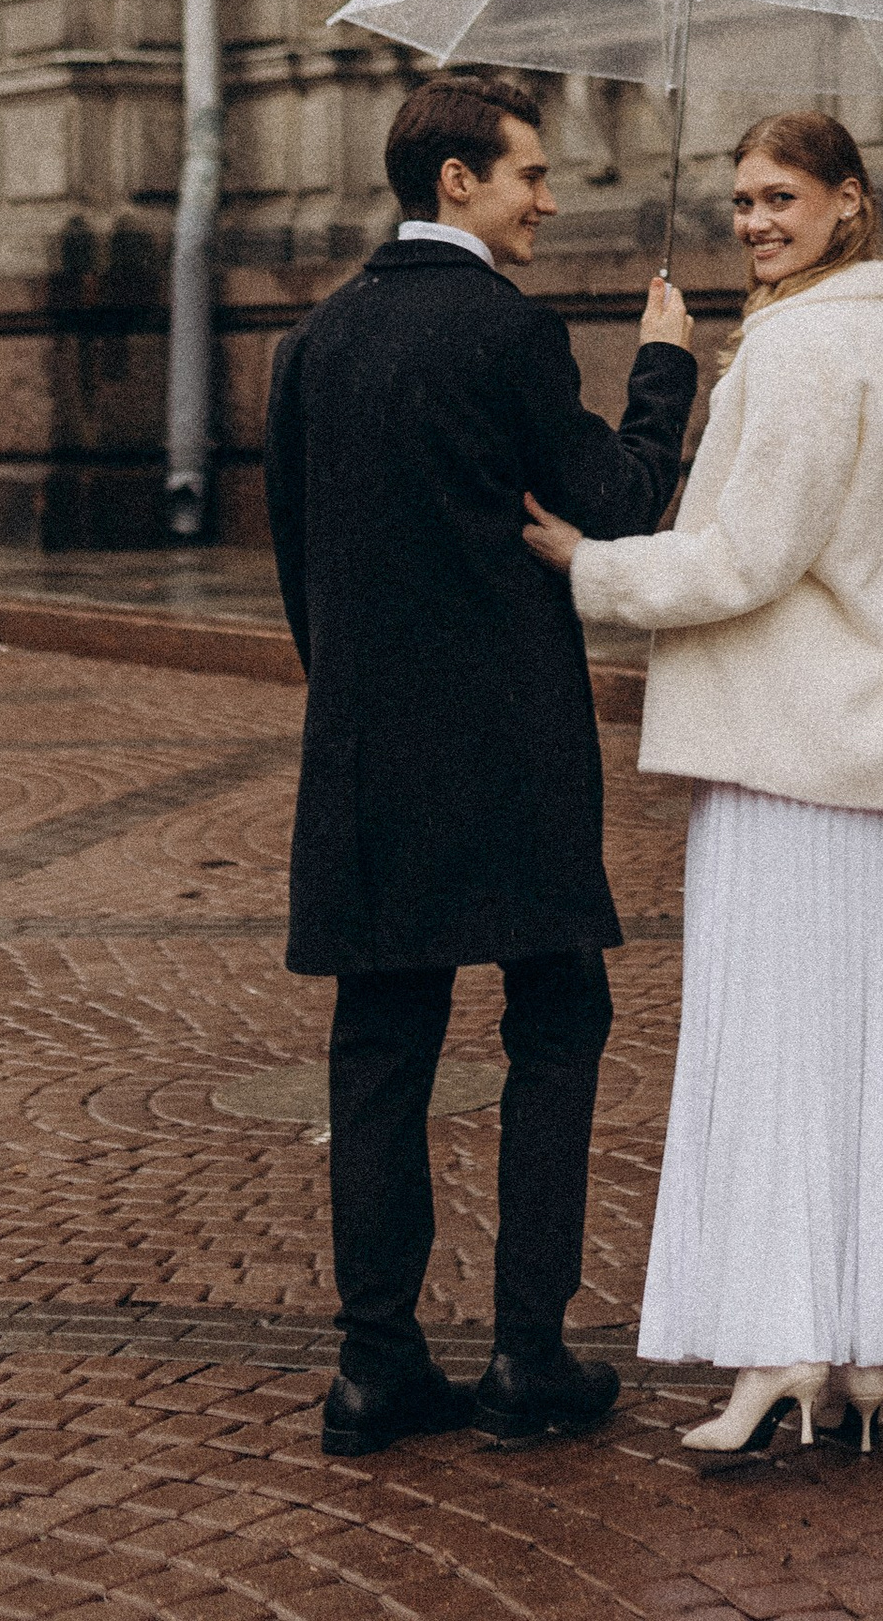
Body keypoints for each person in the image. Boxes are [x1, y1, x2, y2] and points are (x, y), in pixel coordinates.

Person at [522, 112, 883, 1471]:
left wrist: (587, 560)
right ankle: (863, 1352)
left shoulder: (801, 342)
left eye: (780, 195)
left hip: (792, 756)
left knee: (777, 1055)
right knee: (881, 1056)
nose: (752, 219)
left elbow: (744, 557)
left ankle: (780, 1347)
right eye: (739, 199)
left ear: (850, 201)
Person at [264, 71, 699, 1460]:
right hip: (508, 762)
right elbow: (619, 504)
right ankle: (526, 1354)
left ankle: (374, 1367)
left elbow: (298, 565)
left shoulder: (313, 343)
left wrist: (357, 699)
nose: (548, 196)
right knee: (555, 1033)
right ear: (456, 178)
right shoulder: (509, 333)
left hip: (363, 759)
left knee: (379, 1052)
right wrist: (665, 368)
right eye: (528, 171)